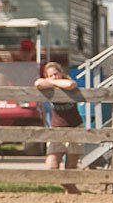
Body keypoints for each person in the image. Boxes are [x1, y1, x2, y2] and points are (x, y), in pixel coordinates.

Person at [34, 61, 82, 194]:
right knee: (51, 167)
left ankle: (72, 195)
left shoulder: (68, 82)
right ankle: (74, 191)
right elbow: (38, 83)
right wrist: (54, 82)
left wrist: (53, 82)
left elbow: (70, 84)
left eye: (56, 74)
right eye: (51, 76)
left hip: (75, 128)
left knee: (70, 168)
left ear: (61, 73)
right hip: (57, 129)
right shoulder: (48, 84)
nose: (54, 77)